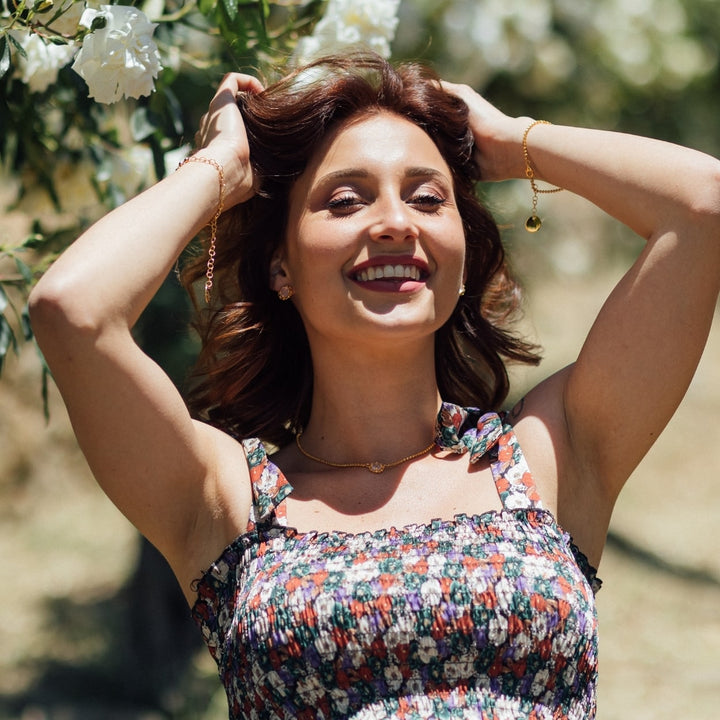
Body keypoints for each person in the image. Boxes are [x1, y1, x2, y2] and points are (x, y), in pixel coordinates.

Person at [28, 52, 720, 719]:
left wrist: (512, 143)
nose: (394, 222)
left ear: (461, 250)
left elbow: (703, 204)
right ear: (282, 267)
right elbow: (72, 311)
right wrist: (223, 167)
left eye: (427, 197)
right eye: (345, 200)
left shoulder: (547, 460)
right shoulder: (223, 500)